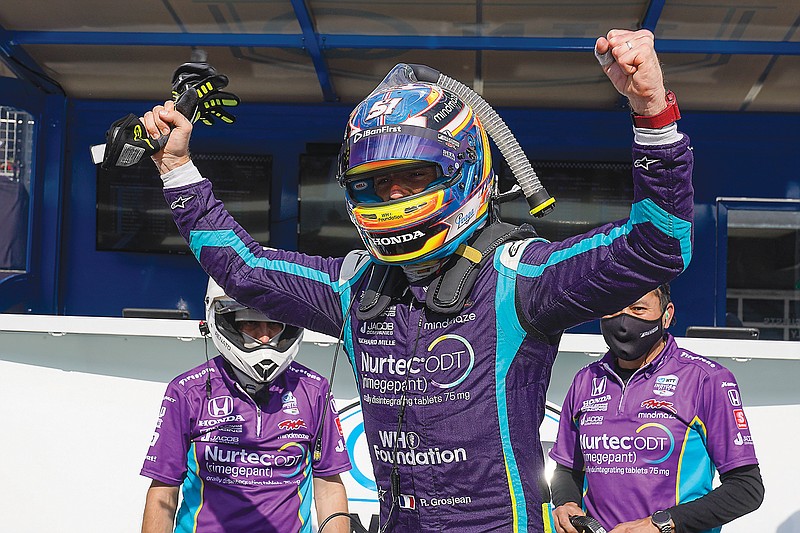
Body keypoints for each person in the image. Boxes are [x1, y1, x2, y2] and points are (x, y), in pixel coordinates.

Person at [141, 28, 694, 532]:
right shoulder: (356, 286)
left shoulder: (516, 278)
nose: (396, 197)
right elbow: (241, 269)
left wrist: (651, 112)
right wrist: (176, 168)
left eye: (414, 176)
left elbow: (657, 248)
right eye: (377, 185)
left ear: (463, 168)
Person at [140, 279, 351, 533]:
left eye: (274, 324)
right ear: (227, 322)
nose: (264, 336)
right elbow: (164, 489)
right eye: (251, 323)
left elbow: (328, 484)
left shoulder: (314, 390)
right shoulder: (187, 391)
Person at [549, 284, 764, 533]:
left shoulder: (706, 379)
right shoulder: (585, 380)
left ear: (667, 315)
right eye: (612, 309)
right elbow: (567, 469)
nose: (623, 320)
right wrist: (567, 503)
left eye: (638, 308)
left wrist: (661, 524)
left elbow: (747, 488)